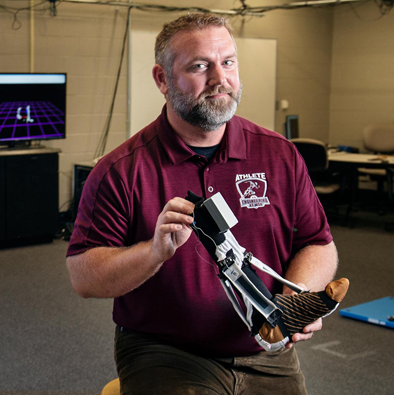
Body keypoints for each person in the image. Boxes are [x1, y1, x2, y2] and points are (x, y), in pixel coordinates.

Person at [66, 13, 338, 395]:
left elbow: (318, 243)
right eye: (199, 66)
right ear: (162, 79)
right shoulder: (121, 171)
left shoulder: (279, 155)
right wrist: (154, 252)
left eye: (227, 62)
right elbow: (83, 277)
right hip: (165, 350)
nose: (219, 79)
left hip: (266, 352)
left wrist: (291, 303)